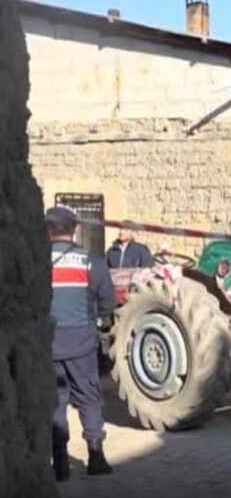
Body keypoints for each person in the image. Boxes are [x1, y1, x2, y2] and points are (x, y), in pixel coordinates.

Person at [47, 206, 116, 481]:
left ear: (49, 230)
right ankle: (96, 457)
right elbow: (108, 304)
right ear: (74, 229)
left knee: (55, 402)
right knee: (88, 398)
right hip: (82, 343)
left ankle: (60, 465)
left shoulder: (37, 260)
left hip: (47, 343)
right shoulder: (92, 261)